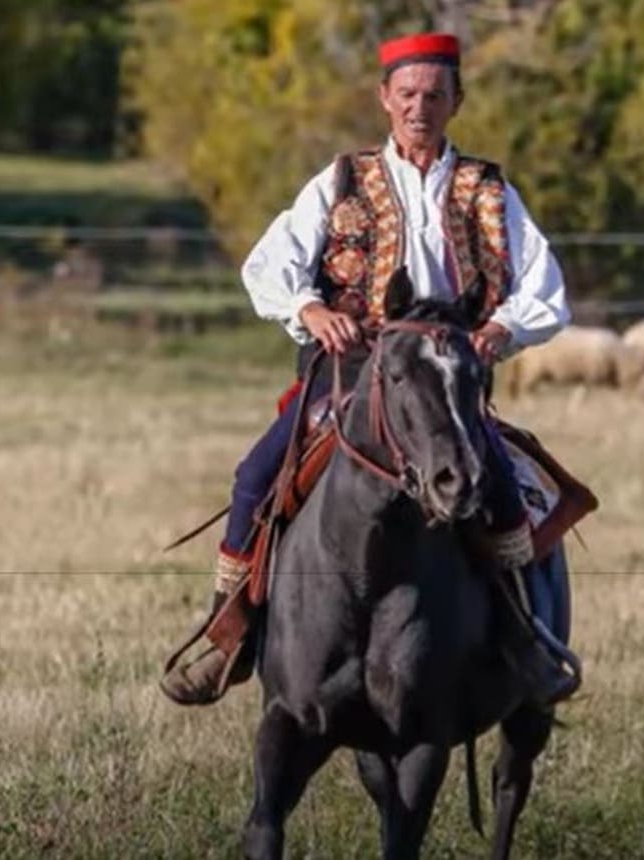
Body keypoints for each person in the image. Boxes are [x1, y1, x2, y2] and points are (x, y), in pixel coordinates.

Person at [160, 32, 578, 708]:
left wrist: (500, 328)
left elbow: (544, 283)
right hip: (345, 376)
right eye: (408, 94)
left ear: (456, 102)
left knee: (502, 483)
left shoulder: (490, 188)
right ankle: (229, 634)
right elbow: (268, 264)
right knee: (255, 477)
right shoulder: (340, 178)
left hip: (445, 380)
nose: (420, 107)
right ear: (384, 98)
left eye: (435, 95)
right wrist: (309, 308)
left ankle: (520, 639)